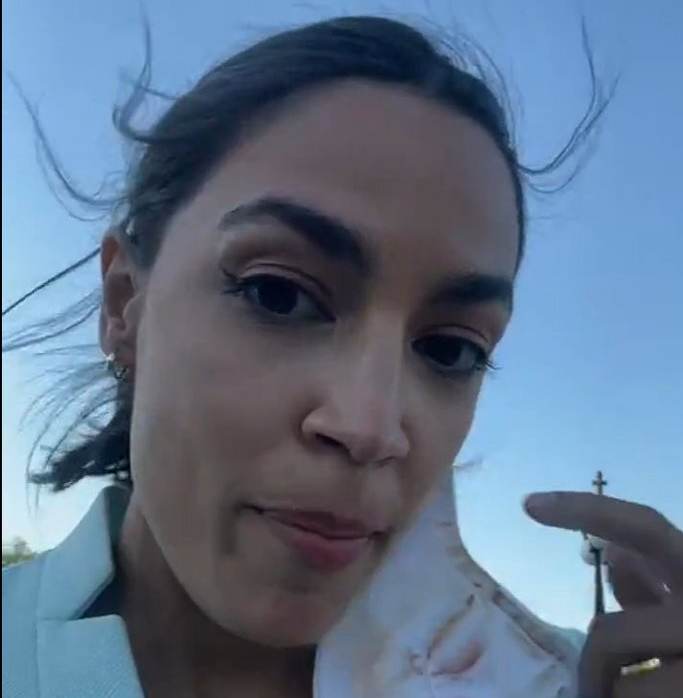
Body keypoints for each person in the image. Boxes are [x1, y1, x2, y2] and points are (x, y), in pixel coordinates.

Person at [2, 15, 681, 698]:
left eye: (449, 349)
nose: (370, 428)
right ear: (123, 303)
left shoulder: (566, 685)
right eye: (277, 295)